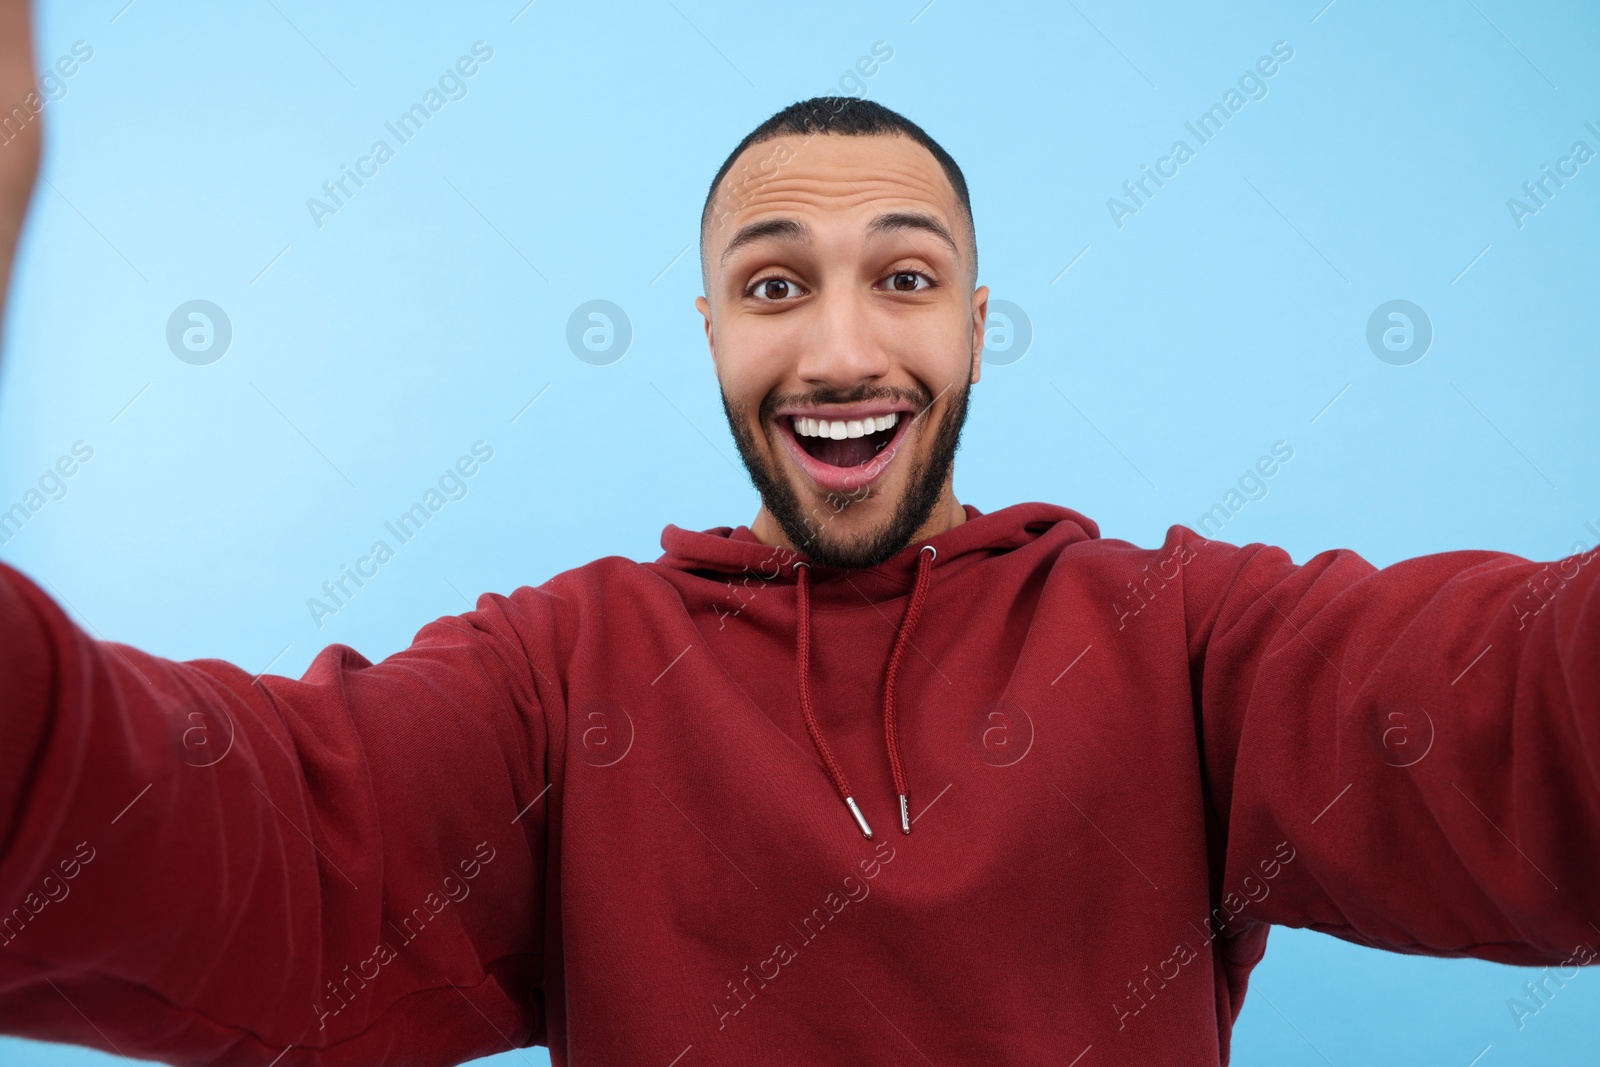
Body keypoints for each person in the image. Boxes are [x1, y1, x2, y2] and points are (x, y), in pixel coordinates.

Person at [1, 6, 1596, 1065]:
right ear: (708, 330)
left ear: (978, 324)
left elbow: (1508, 716)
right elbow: (254, 846)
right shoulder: (566, 676)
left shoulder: (1178, 640)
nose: (840, 354)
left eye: (903, 279)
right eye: (777, 286)